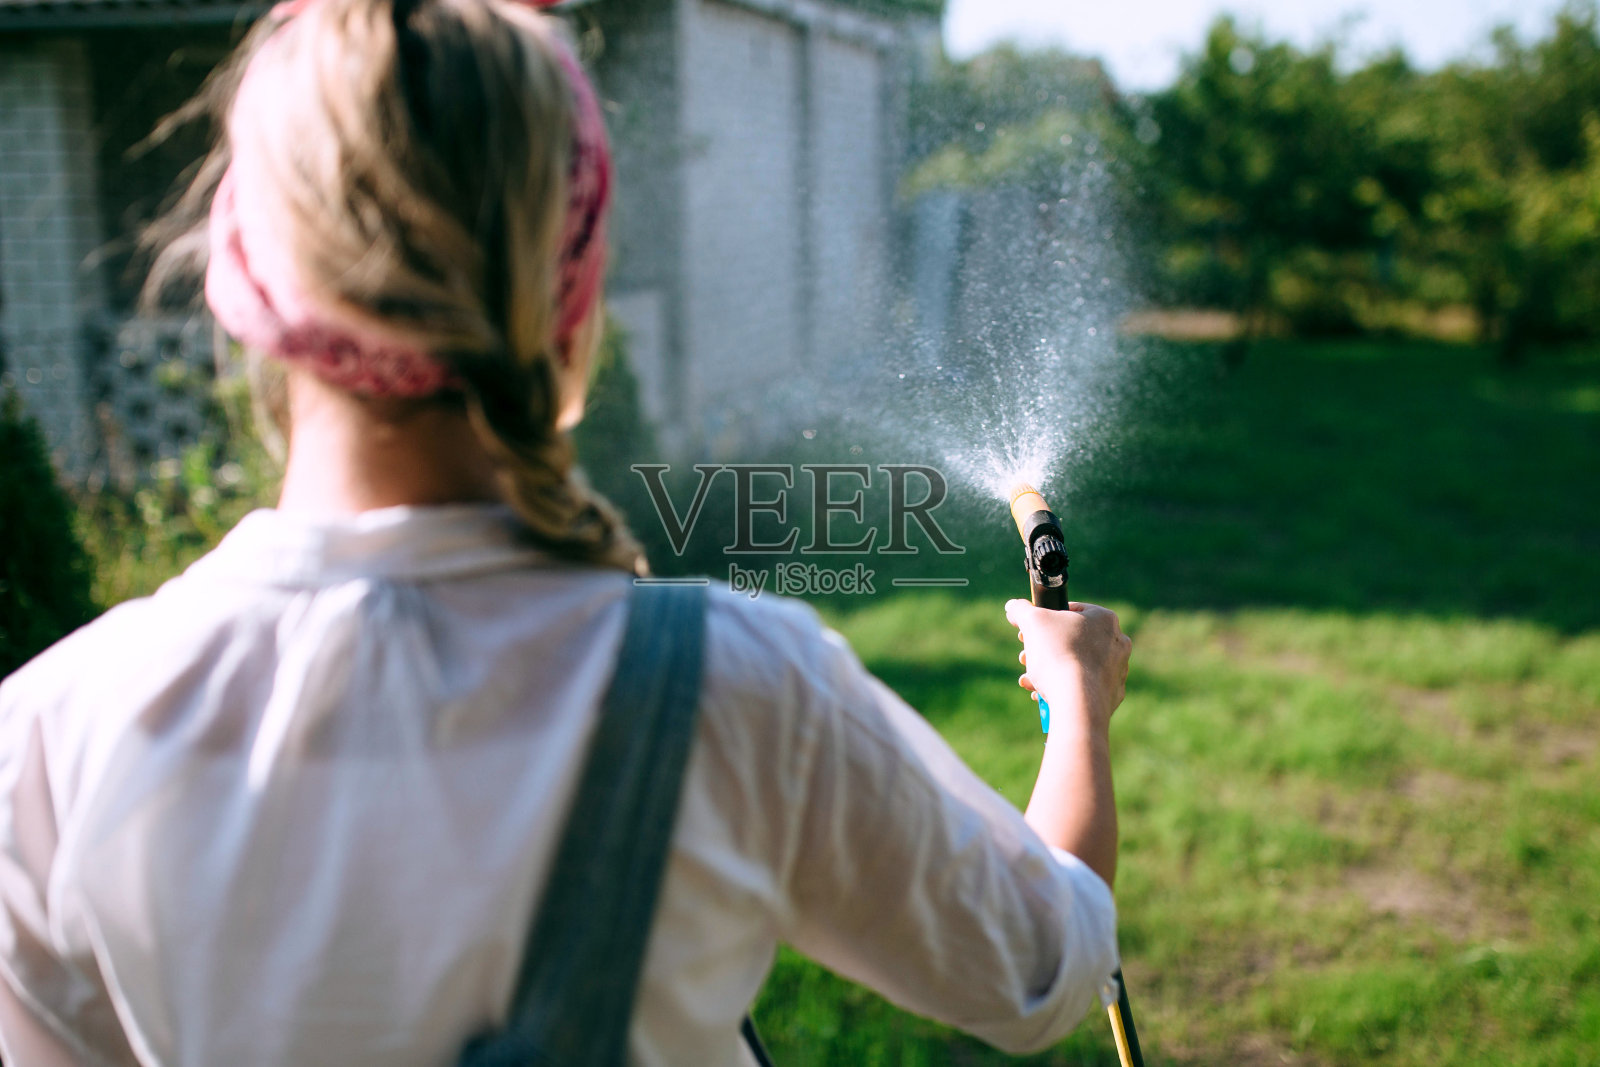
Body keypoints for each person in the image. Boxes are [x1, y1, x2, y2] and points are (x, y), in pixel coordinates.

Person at [0, 0, 1135, 1063]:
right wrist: (1075, 698)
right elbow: (1042, 964)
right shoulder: (740, 691)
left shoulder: (47, 743)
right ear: (573, 301)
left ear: (238, 277)